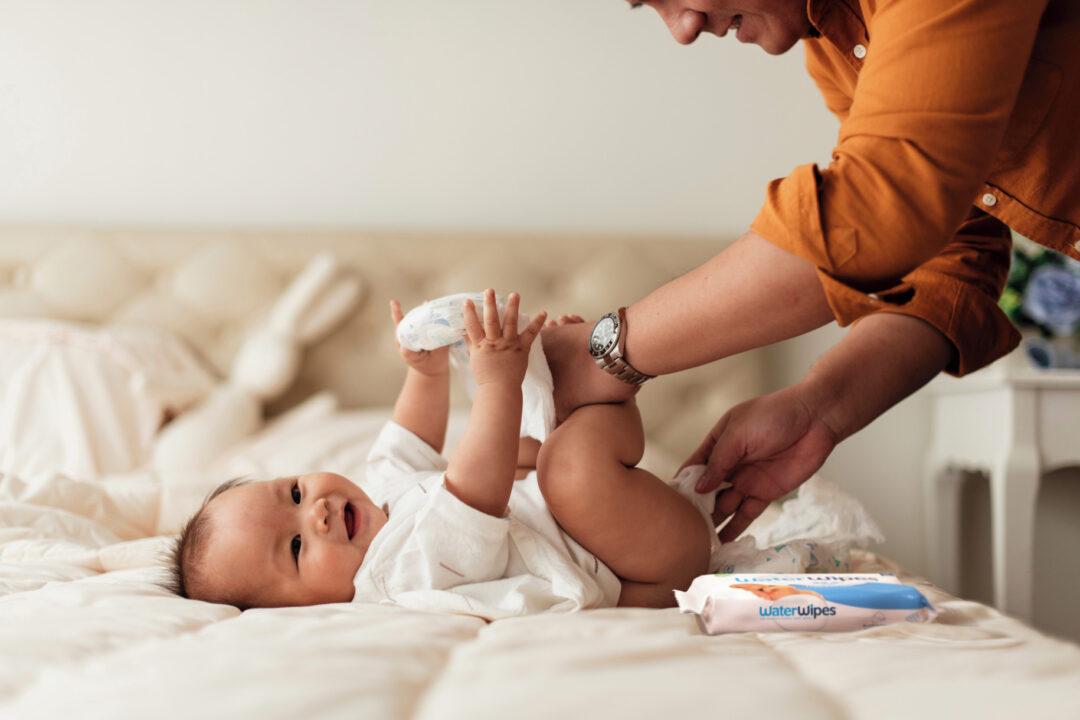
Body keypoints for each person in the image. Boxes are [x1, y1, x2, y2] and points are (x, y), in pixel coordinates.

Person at [540, 0, 1080, 543]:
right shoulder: (835, 47)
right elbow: (954, 253)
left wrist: (606, 353)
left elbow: (879, 207)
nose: (682, 30)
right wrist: (820, 405)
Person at [165, 290, 718, 612]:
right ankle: (594, 392)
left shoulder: (379, 494)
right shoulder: (394, 576)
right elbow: (476, 494)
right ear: (305, 608)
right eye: (294, 546)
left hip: (606, 527)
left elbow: (409, 437)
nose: (317, 513)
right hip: (641, 570)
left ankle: (571, 392)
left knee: (527, 448)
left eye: (293, 493)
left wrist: (425, 372)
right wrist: (499, 383)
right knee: (559, 468)